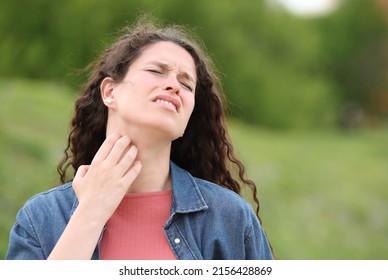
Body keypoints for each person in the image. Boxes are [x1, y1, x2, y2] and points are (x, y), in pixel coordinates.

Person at [6, 18, 274, 260]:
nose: (174, 85)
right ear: (110, 92)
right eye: (157, 71)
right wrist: (91, 211)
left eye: (186, 84)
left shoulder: (229, 218)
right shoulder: (41, 217)